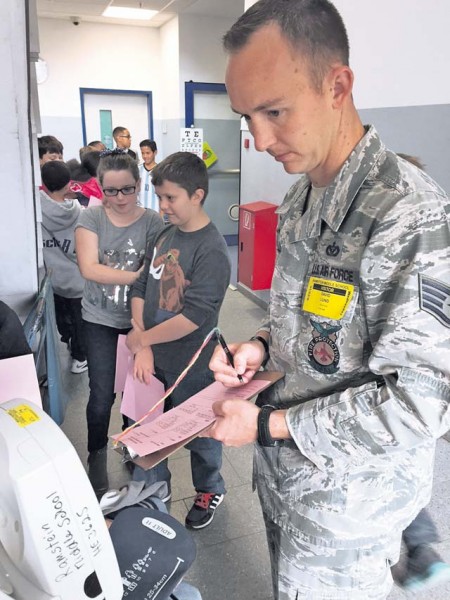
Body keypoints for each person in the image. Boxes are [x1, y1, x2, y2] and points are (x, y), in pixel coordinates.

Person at [205, 1, 450, 598]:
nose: (259, 140)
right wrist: (259, 349)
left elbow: (422, 403)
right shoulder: (301, 202)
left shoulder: (406, 213)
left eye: (275, 111)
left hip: (347, 512)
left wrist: (269, 424)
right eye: (246, 117)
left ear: (337, 85)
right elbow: (305, 326)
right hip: (286, 485)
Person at [126, 151, 231, 530]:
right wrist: (144, 341)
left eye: (171, 198)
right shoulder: (164, 233)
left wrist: (142, 342)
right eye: (160, 197)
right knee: (149, 425)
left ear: (197, 195)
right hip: (150, 358)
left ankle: (209, 488)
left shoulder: (212, 250)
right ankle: (154, 490)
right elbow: (140, 285)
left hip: (195, 363)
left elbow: (193, 317)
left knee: (200, 432)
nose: (163, 206)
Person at [75, 150, 163, 497]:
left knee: (135, 392)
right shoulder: (91, 219)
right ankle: (96, 452)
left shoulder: (153, 222)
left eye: (127, 189)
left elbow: (160, 272)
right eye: (111, 191)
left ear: (139, 185)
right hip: (98, 319)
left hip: (138, 323)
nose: (120, 198)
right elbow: (89, 268)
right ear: (100, 189)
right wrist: (137, 276)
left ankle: (130, 445)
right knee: (100, 395)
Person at [40, 160, 87, 374]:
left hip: (51, 279)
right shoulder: (79, 211)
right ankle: (79, 358)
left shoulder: (36, 209)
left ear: (43, 183)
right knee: (80, 322)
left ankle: (66, 340)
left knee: (61, 319)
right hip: (78, 279)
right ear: (69, 184)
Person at [138, 139, 159, 212]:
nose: (145, 156)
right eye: (142, 153)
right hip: (140, 213)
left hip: (156, 212)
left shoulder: (161, 171)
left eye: (148, 153)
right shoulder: (137, 170)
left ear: (155, 152)